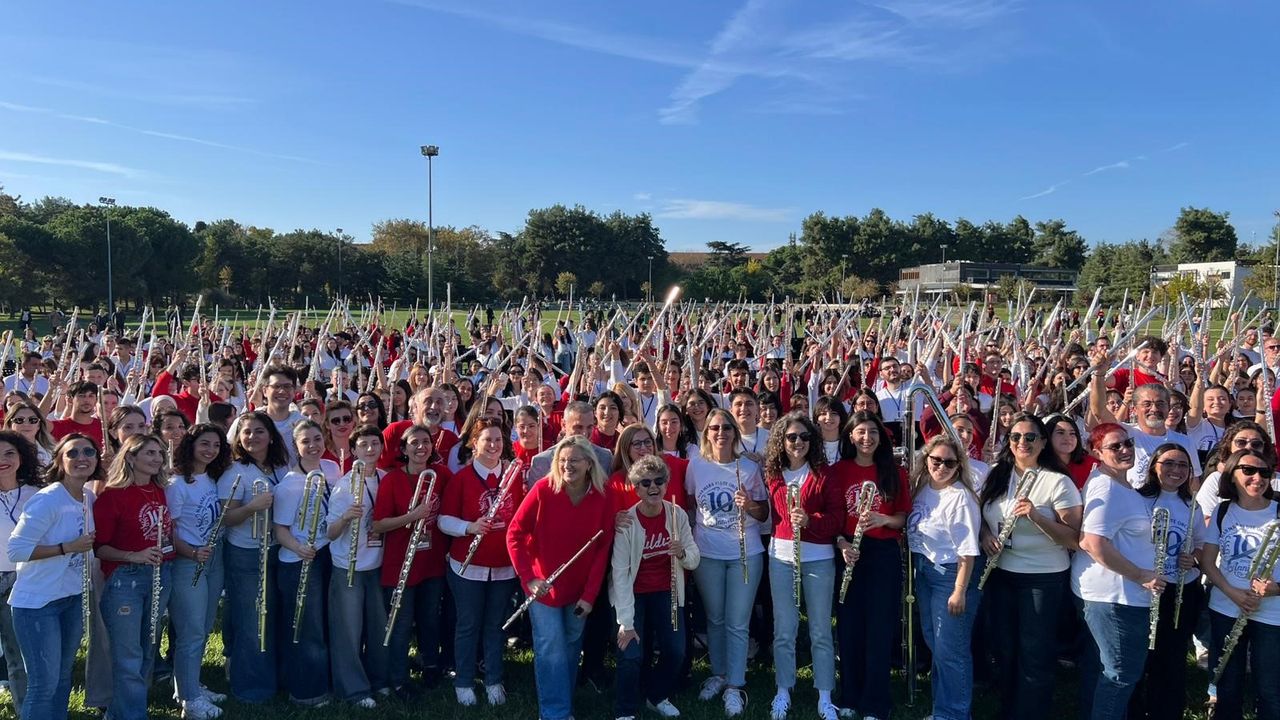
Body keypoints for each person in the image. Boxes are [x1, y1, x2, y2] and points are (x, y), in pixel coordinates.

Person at [977, 414, 1082, 720]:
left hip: (1043, 577)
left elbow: (1074, 539)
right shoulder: (997, 474)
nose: (1022, 442)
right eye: (1015, 437)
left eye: (1030, 437)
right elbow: (983, 517)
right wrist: (985, 535)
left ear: (1043, 442)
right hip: (1002, 573)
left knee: (1034, 654)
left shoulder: (1057, 481)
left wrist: (1036, 517)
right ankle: (1009, 709)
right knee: (1006, 649)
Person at [507, 435, 615, 720]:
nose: (568, 465)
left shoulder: (603, 497)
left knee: (569, 648)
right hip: (543, 587)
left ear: (589, 464)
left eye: (574, 460)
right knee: (550, 648)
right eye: (563, 460)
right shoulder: (544, 489)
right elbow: (514, 533)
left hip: (579, 590)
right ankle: (554, 713)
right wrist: (529, 578)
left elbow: (601, 550)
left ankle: (562, 704)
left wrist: (590, 596)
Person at [1073, 423, 1164, 720]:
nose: (1125, 450)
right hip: (1114, 596)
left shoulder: (1121, 484)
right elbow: (1092, 541)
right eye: (1115, 447)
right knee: (1120, 673)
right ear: (1097, 452)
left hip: (1120, 595)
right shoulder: (1105, 485)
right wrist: (1141, 576)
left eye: (1127, 443)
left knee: (1109, 670)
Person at [6, 434, 98, 720]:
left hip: (70, 598)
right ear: (60, 460)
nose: (82, 457)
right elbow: (16, 549)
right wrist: (66, 548)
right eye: (73, 453)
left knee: (61, 680)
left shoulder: (87, 495)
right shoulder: (47, 499)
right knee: (43, 685)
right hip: (37, 604)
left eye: (88, 451)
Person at [685, 408, 769, 717]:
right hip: (708, 552)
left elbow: (764, 515)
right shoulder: (696, 466)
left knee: (737, 620)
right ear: (706, 433)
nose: (721, 433)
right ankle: (718, 673)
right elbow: (693, 505)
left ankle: (736, 684)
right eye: (715, 428)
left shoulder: (748, 467)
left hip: (745, 553)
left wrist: (750, 505)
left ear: (735, 433)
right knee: (715, 618)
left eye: (726, 428)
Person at [761, 412, 845, 720]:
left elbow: (838, 518)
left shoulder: (825, 474)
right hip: (781, 556)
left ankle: (825, 696)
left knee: (821, 630)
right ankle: (783, 690)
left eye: (805, 437)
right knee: (784, 629)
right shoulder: (772, 473)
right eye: (792, 437)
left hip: (818, 559)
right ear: (781, 441)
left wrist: (811, 521)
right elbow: (779, 514)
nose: (798, 442)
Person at [609, 454, 700, 720]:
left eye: (659, 481)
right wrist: (626, 621)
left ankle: (656, 695)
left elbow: (694, 559)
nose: (653, 487)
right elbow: (620, 574)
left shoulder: (677, 515)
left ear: (667, 484)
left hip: (667, 591)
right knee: (630, 651)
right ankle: (625, 710)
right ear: (636, 488)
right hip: (634, 593)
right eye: (645, 482)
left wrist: (681, 552)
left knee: (676, 650)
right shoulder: (628, 521)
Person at [832, 411, 910, 720]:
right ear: (850, 436)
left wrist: (883, 519)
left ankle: (877, 701)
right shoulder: (838, 471)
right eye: (861, 432)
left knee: (880, 627)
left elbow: (903, 517)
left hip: (882, 552)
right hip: (849, 550)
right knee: (850, 625)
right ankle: (849, 694)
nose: (867, 437)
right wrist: (842, 545)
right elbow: (834, 519)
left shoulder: (894, 471)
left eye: (873, 432)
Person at [439, 416, 520, 706]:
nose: (494, 445)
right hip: (467, 566)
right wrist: (469, 527)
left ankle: (494, 679)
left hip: (503, 567)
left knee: (496, 625)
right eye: (487, 439)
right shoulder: (461, 478)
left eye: (499, 440)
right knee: (468, 624)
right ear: (475, 444)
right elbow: (443, 520)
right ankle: (463, 681)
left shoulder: (512, 477)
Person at [93, 433, 174, 720]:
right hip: (125, 580)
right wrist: (133, 556)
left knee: (148, 648)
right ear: (130, 457)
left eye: (159, 454)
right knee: (128, 655)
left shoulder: (159, 489)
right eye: (149, 453)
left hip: (160, 575)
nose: (157, 459)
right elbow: (99, 547)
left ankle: (119, 712)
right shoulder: (111, 496)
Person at [372, 423, 453, 698]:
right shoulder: (392, 480)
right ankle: (397, 678)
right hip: (400, 563)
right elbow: (379, 524)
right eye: (414, 443)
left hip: (432, 561)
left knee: (430, 618)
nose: (421, 447)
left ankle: (430, 664)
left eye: (426, 442)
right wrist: (413, 516)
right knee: (401, 621)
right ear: (403, 449)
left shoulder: (442, 474)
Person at [1199, 448, 1280, 720]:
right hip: (1226, 608)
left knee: (1270, 687)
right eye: (1248, 470)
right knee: (1227, 682)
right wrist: (1233, 593)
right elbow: (1208, 562)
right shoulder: (1223, 511)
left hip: (1272, 613)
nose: (1258, 477)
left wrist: (1276, 589)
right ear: (1232, 475)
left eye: (1265, 472)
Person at [216, 410, 291, 703]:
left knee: (273, 616)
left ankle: (275, 676)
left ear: (271, 435)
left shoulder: (282, 467)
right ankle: (251, 689)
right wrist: (252, 507)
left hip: (277, 549)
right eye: (246, 432)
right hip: (246, 553)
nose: (252, 437)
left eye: (259, 431)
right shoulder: (234, 471)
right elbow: (226, 518)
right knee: (252, 620)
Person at [906, 434, 981, 720]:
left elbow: (967, 552)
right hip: (925, 572)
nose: (941, 466)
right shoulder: (923, 487)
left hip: (950, 575)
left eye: (949, 462)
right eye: (936, 460)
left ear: (958, 465)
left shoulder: (960, 498)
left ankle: (955, 714)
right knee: (937, 644)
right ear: (926, 460)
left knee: (952, 651)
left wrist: (959, 590)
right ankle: (943, 710)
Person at [1130, 443, 1203, 720]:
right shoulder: (1138, 499)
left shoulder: (1192, 504)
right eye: (1168, 463)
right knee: (1141, 654)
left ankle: (1166, 711)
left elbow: (1201, 545)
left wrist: (1193, 558)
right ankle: (1134, 710)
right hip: (1144, 586)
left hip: (1179, 589)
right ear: (1154, 467)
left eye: (1183, 465)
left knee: (1172, 656)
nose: (1176, 470)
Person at [165, 424, 232, 720]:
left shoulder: (213, 478)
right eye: (205, 444)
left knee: (203, 628)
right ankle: (190, 701)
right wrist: (191, 552)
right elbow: (170, 532)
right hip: (188, 561)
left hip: (212, 558)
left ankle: (188, 685)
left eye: (216, 445)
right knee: (190, 631)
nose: (210, 450)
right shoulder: (177, 484)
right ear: (191, 445)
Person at [272, 420, 338, 706]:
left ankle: (324, 679)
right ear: (295, 447)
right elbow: (280, 530)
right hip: (299, 559)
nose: (313, 445)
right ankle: (307, 691)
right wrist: (300, 548)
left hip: (327, 552)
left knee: (323, 621)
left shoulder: (332, 469)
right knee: (305, 627)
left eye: (316, 439)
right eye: (305, 441)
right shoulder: (288, 486)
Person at [323, 425, 388, 708]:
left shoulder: (385, 478)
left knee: (377, 627)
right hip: (347, 566)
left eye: (375, 443)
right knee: (348, 631)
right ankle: (353, 690)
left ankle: (378, 680)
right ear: (353, 451)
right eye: (364, 445)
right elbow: (330, 532)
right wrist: (347, 517)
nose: (370, 449)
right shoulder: (344, 485)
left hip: (378, 565)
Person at [0, 431, 43, 717]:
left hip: (23, 580)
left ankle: (26, 711)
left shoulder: (37, 494)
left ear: (21, 457)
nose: (3, 460)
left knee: (19, 657)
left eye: (9, 453)